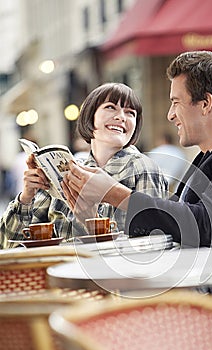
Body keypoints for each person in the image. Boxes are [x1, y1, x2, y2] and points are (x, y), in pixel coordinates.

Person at [63, 51, 212, 332]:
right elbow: (168, 227)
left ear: (205, 104)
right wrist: (89, 209)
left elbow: (204, 224)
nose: (170, 115)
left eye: (176, 102)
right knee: (93, 305)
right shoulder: (206, 159)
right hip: (194, 291)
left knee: (104, 315)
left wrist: (113, 193)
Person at [0, 82, 168, 249]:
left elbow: (152, 246)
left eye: (130, 113)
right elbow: (8, 244)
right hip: (58, 271)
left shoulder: (142, 168)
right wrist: (26, 197)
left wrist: (93, 221)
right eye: (111, 107)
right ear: (90, 116)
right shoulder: (68, 169)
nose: (121, 117)